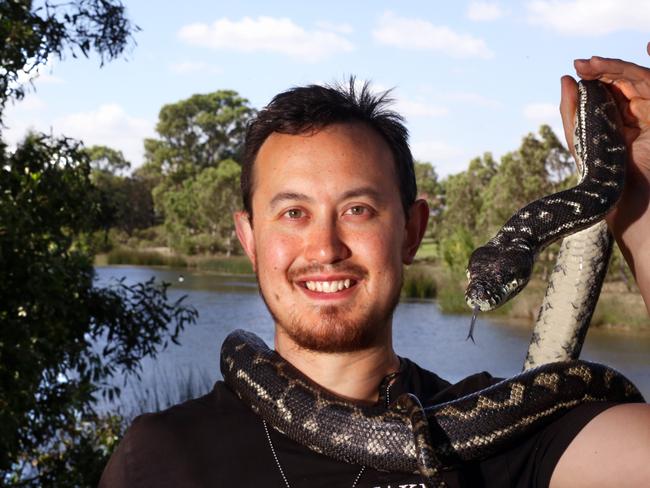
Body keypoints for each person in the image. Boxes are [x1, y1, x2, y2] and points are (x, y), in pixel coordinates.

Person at [100, 45, 650, 487]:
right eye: (293, 212)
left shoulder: (514, 431)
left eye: (358, 210)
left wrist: (643, 209)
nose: (324, 247)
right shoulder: (161, 456)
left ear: (411, 231)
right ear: (248, 237)